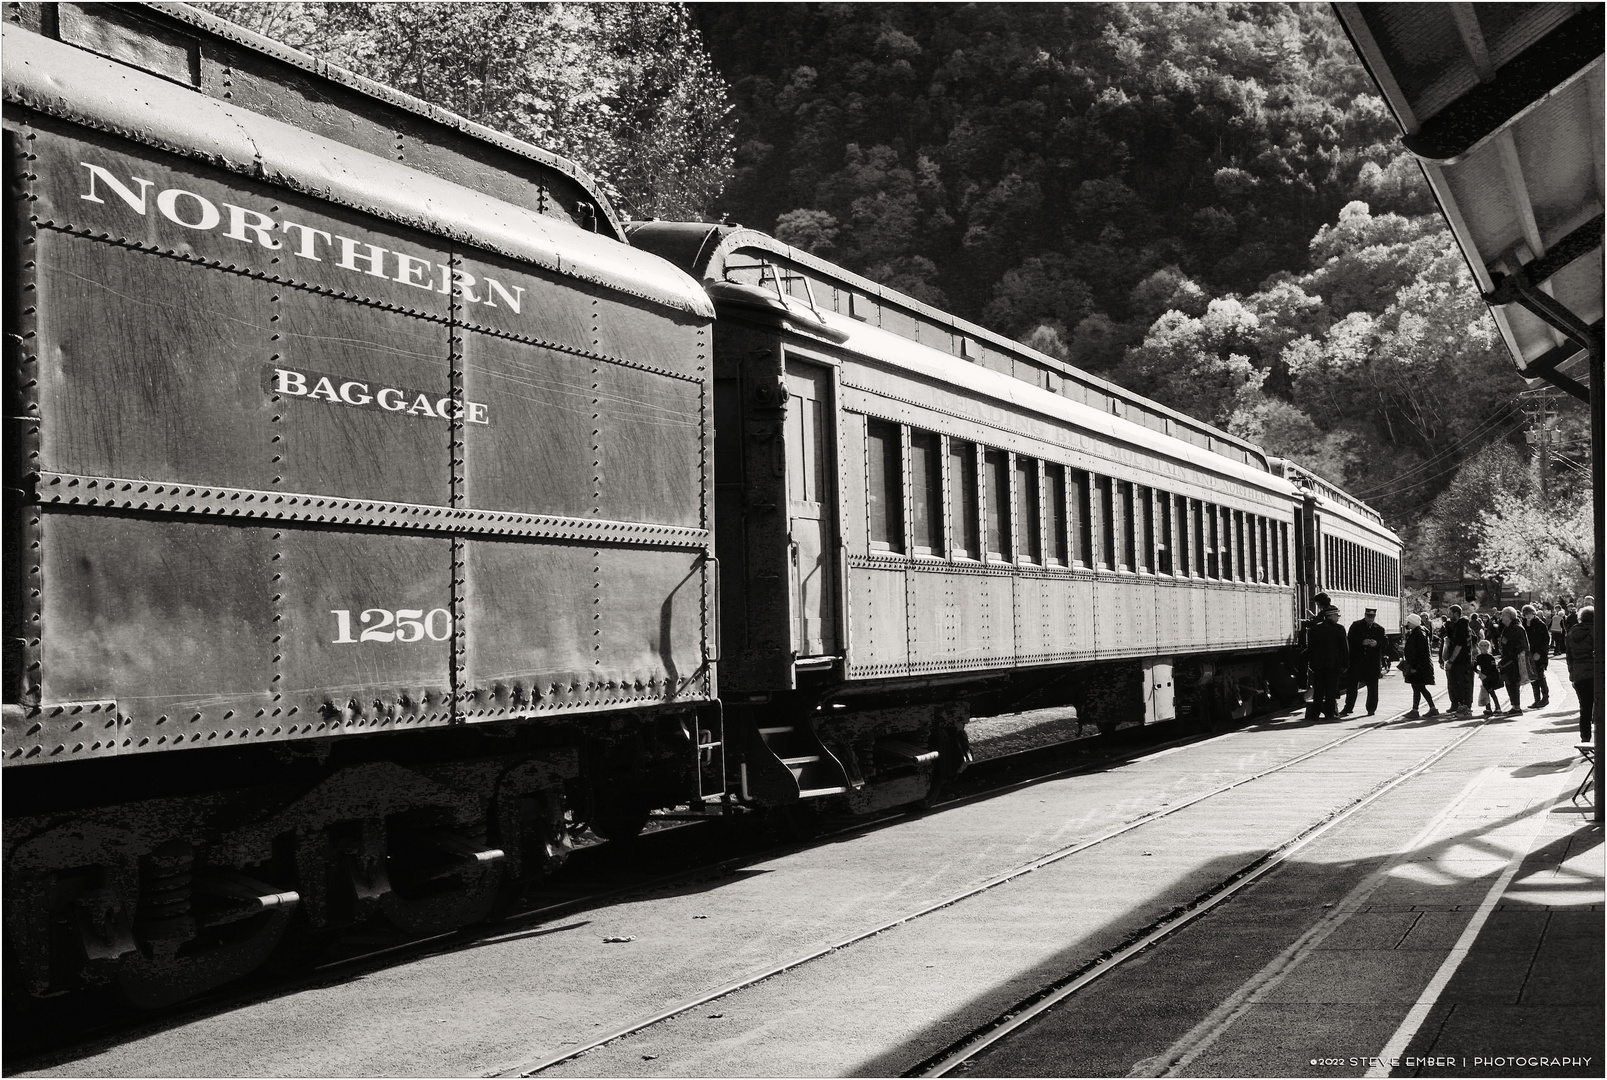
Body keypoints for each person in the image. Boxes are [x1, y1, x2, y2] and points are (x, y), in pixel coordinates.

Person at [1341, 607, 1395, 716]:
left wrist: (1376, 644)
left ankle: (1371, 708)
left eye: (1372, 617)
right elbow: (1350, 640)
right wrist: (1361, 642)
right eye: (1368, 616)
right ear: (1365, 615)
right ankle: (1348, 707)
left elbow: (1385, 643)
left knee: (1373, 688)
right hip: (1357, 661)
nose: (1370, 619)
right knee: (1352, 687)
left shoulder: (1379, 629)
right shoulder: (1356, 626)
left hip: (1372, 663)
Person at [1308, 605, 1349, 721]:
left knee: (1319, 689)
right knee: (1331, 690)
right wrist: (1346, 664)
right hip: (1333, 665)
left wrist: (1311, 663)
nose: (1338, 618)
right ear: (1330, 616)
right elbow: (1344, 649)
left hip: (1318, 665)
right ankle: (1330, 713)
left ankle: (1315, 713)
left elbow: (1310, 648)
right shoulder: (1339, 629)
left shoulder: (1314, 629)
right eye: (1337, 615)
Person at [1302, 592, 1333, 721]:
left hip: (1321, 654)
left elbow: (1319, 624)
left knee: (1320, 685)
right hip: (1329, 656)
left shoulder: (1326, 612)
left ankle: (1303, 682)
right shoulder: (1330, 611)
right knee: (1328, 686)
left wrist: (1307, 622)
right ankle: (1329, 711)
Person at [1401, 613, 1439, 718]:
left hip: (1419, 666)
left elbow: (1419, 652)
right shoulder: (1418, 632)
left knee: (1419, 687)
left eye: (1408, 622)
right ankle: (1426, 708)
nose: (1407, 624)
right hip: (1421, 665)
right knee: (1418, 687)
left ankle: (1419, 709)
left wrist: (1414, 667)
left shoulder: (1418, 633)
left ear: (1413, 623)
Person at [1567, 606, 1595, 742]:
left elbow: (1569, 656)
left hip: (1579, 673)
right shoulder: (1597, 631)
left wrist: (1572, 674)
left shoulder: (1572, 632)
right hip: (1595, 672)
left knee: (1585, 707)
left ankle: (1585, 738)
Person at [1441, 603, 1475, 716]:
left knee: (1462, 684)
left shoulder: (1462, 626)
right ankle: (1458, 705)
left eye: (1450, 613)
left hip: (1461, 661)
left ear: (1456, 613)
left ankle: (1465, 707)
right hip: (1458, 661)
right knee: (1454, 684)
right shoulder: (1455, 626)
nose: (1449, 615)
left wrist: (1451, 661)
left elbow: (1459, 646)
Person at [1496, 606, 1529, 716]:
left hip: (1513, 661)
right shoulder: (1509, 627)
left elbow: (1519, 646)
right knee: (1509, 683)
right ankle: (1514, 706)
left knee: (1513, 683)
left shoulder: (1516, 628)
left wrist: (1509, 657)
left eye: (1503, 615)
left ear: (1509, 616)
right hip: (1508, 659)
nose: (1501, 618)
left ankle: (1516, 707)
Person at [1522, 603, 1551, 709]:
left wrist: (1539, 653)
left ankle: (1545, 697)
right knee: (1533, 677)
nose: (1528, 616)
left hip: (1539, 654)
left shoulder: (1540, 624)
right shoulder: (1524, 624)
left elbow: (1546, 640)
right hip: (1529, 654)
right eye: (1526, 614)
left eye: (1530, 613)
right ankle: (1537, 699)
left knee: (1540, 675)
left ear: (1534, 613)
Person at [1474, 640, 1507, 716]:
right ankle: (1488, 708)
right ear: (1478, 647)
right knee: (1486, 693)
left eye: (1485, 646)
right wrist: (1479, 673)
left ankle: (1497, 708)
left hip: (1491, 678)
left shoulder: (1490, 657)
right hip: (1484, 678)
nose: (1483, 647)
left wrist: (1488, 677)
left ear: (1488, 647)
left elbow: (1493, 669)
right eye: (1481, 646)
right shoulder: (1478, 657)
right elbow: (1474, 667)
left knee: (1491, 692)